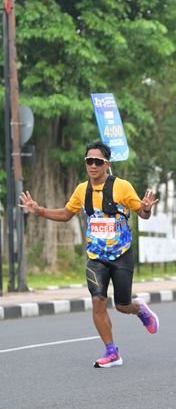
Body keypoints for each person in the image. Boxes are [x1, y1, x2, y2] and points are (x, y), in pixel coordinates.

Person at [19, 140, 159, 368]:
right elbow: (66, 214)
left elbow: (142, 214)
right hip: (96, 257)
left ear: (107, 164)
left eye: (98, 162)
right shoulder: (81, 190)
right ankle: (111, 351)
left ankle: (139, 308)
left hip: (121, 254)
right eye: (89, 161)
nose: (93, 165)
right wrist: (39, 210)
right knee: (97, 300)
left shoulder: (122, 187)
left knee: (122, 305)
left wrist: (146, 207)